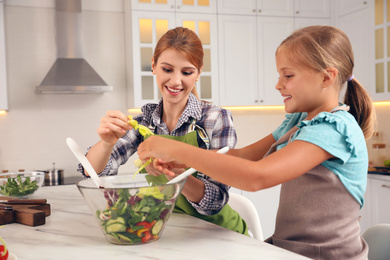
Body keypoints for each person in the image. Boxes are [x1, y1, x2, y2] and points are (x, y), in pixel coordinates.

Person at [137, 25, 376, 259]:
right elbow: (243, 156)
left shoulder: (332, 129)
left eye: (288, 75)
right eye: (279, 75)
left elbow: (256, 177)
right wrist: (181, 163)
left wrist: (173, 147)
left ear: (327, 77)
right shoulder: (299, 120)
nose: (278, 84)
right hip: (289, 250)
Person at [77, 27, 249, 236]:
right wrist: (106, 143)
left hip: (218, 235)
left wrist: (176, 176)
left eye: (186, 72)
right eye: (167, 69)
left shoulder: (215, 119)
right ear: (154, 66)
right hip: (167, 231)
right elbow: (93, 172)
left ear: (198, 73)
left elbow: (216, 201)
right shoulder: (145, 122)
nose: (176, 81)